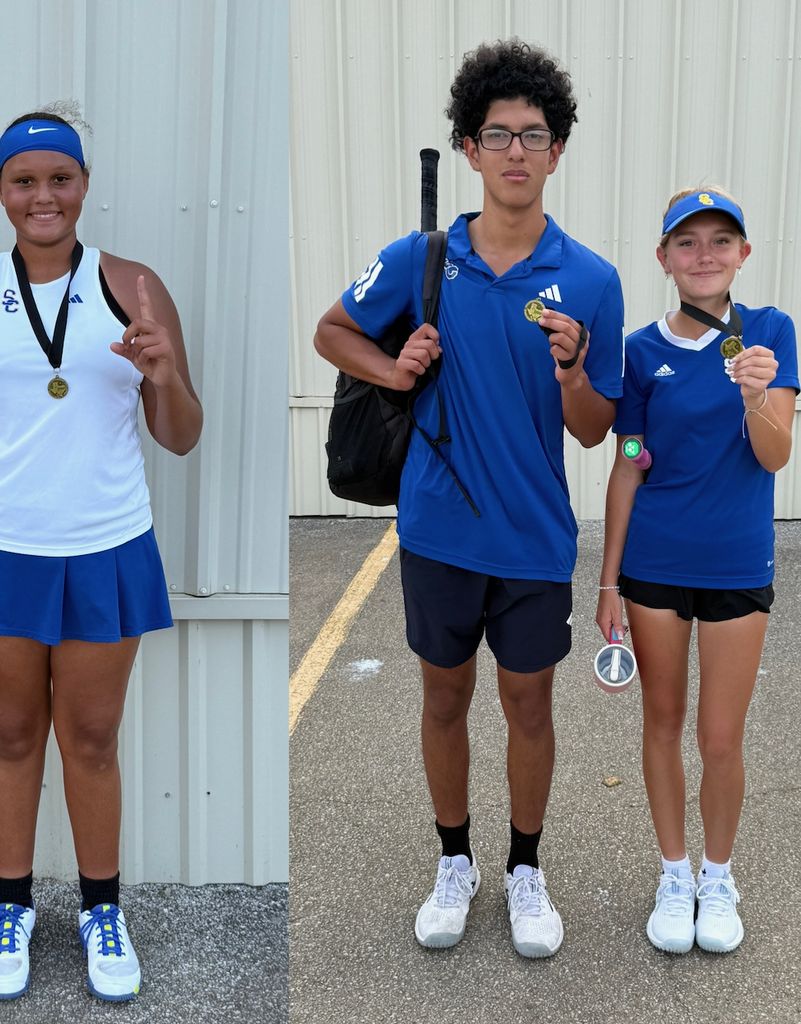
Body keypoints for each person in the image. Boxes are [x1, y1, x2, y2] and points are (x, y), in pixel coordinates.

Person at [314, 39, 624, 957]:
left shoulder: (592, 279)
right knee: (444, 700)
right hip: (438, 529)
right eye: (497, 134)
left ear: (557, 151)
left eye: (533, 135)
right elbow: (333, 331)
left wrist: (573, 371)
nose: (515, 151)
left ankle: (525, 869)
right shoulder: (422, 258)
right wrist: (395, 367)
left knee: (529, 707)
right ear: (468, 147)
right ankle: (456, 860)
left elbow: (594, 429)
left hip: (533, 538)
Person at [0, 108, 202, 1000]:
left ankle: (102, 911)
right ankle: (11, 908)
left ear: (84, 185)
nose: (44, 196)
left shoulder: (135, 289)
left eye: (60, 178)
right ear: (0, 191)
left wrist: (164, 375)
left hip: (104, 548)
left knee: (94, 739)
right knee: (12, 734)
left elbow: (181, 434)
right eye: (24, 180)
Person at [595, 187, 797, 953]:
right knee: (663, 722)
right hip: (654, 566)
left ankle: (718, 876)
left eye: (720, 241)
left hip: (736, 566)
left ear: (743, 253)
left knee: (719, 738)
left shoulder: (768, 333)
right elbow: (630, 460)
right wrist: (608, 580)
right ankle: (674, 873)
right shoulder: (640, 351)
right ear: (663, 258)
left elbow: (774, 454)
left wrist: (756, 396)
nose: (703, 255)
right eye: (687, 242)